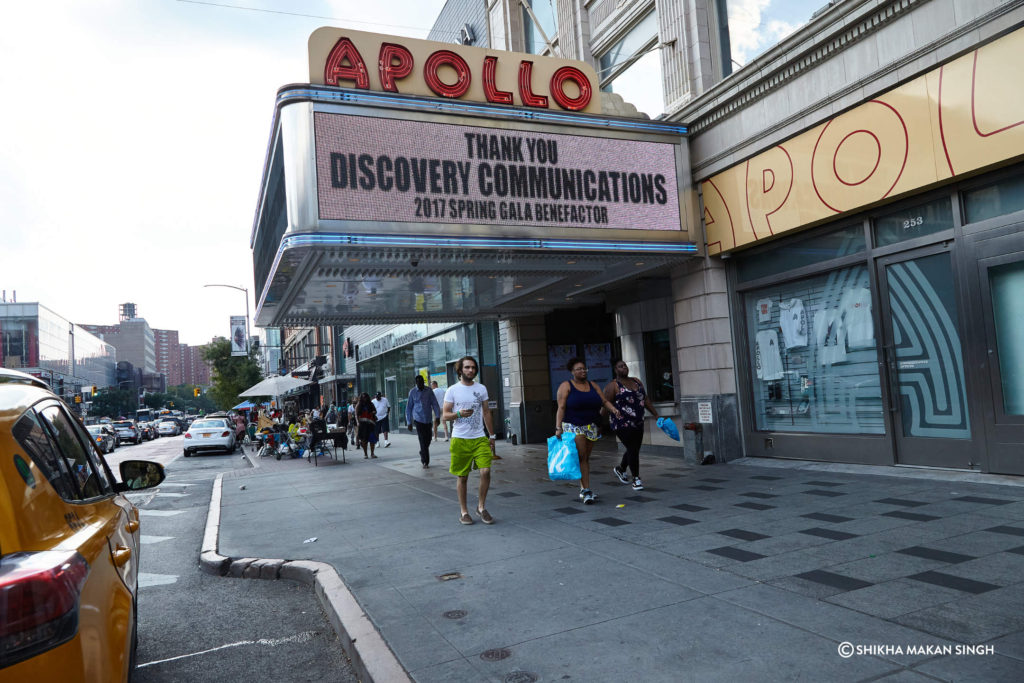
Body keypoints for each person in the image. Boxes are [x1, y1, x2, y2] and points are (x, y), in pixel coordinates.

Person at [555, 357, 621, 505]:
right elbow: (561, 407)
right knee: (581, 455)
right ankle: (586, 490)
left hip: (590, 425)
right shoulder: (566, 386)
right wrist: (558, 427)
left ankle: (584, 487)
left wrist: (614, 410)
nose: (583, 371)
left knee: (585, 458)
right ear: (572, 372)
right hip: (573, 425)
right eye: (579, 369)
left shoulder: (593, 385)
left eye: (584, 369)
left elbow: (604, 401)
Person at [443, 356, 496, 525]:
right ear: (460, 370)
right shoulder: (452, 390)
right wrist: (458, 414)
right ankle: (464, 511)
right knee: (463, 477)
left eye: (473, 368)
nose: (470, 370)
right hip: (460, 439)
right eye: (467, 367)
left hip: (479, 437)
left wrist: (492, 435)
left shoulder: (481, 389)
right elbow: (445, 415)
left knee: (485, 471)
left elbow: (486, 412)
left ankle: (481, 507)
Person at [603, 359, 660, 491]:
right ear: (615, 370)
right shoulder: (613, 386)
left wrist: (656, 414)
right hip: (621, 423)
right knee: (633, 448)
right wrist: (598, 423)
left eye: (625, 366)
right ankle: (636, 479)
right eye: (620, 366)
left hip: (638, 422)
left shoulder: (636, 381)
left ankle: (621, 468)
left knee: (633, 449)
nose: (624, 368)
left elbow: (645, 400)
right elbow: (605, 404)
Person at [406, 375, 441, 468]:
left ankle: (422, 451)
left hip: (428, 419)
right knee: (422, 439)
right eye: (418, 382)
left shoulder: (429, 391)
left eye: (422, 382)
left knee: (428, 439)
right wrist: (409, 422)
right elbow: (409, 408)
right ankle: (425, 461)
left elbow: (434, 403)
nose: (420, 383)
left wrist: (437, 416)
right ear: (416, 383)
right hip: (418, 419)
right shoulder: (412, 392)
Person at [355, 393, 378, 458]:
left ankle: (372, 453)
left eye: (366, 397)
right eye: (363, 397)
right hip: (363, 424)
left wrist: (373, 412)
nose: (365, 398)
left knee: (372, 439)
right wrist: (357, 422)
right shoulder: (359, 405)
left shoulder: (371, 404)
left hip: (370, 423)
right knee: (364, 440)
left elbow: (375, 411)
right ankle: (365, 454)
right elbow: (356, 415)